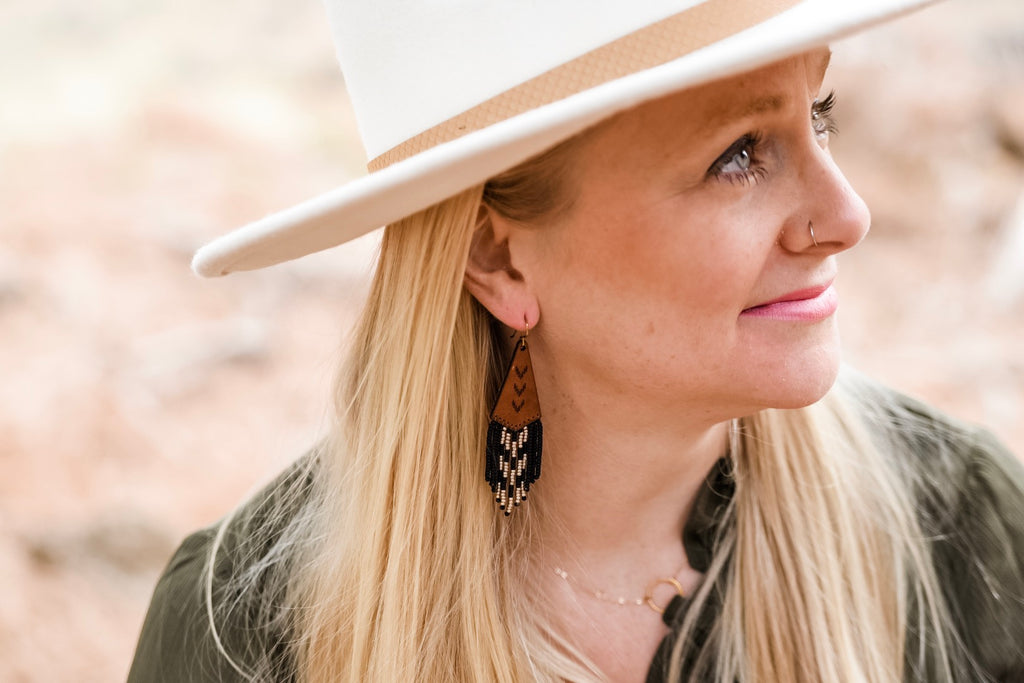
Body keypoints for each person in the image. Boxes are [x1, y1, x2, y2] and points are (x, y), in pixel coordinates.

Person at [128, 1, 1024, 681]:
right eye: (739, 154)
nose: (847, 215)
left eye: (818, 113)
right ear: (497, 257)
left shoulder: (957, 537)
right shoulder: (249, 634)